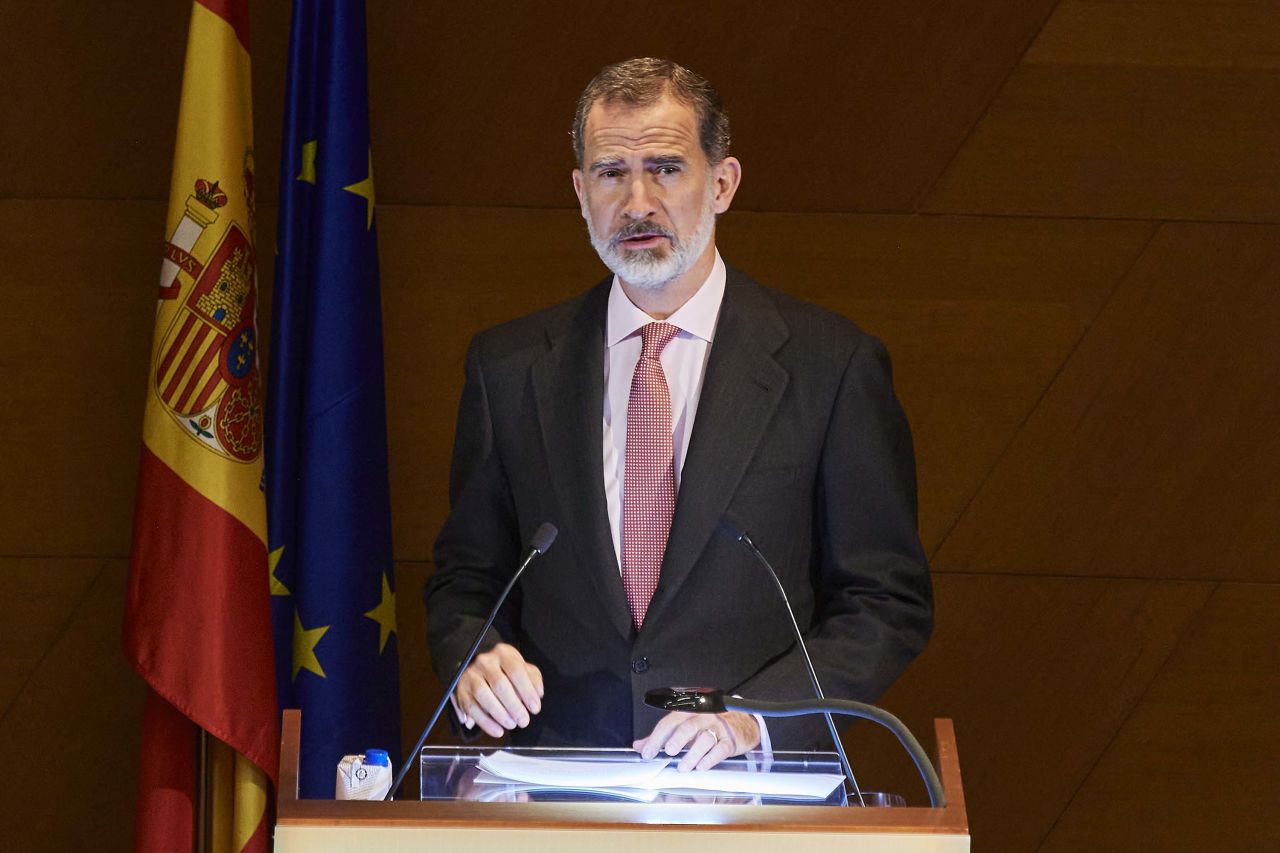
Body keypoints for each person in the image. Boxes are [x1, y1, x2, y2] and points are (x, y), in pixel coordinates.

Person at [425, 57, 932, 773]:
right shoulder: (507, 369)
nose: (637, 202)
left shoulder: (831, 366)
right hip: (561, 788)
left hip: (754, 795)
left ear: (721, 183)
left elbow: (886, 600)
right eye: (610, 173)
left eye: (665, 168)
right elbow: (467, 579)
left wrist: (755, 718)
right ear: (580, 192)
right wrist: (476, 657)